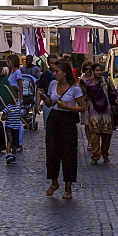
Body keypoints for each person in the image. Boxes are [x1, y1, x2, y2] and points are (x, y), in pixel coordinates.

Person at [39, 59, 85, 199]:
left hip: (68, 120)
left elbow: (82, 107)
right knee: (52, 152)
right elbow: (50, 102)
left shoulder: (75, 88)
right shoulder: (53, 84)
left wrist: (67, 107)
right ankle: (54, 182)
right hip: (54, 119)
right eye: (53, 71)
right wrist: (45, 99)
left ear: (65, 73)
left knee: (68, 153)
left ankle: (68, 186)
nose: (54, 74)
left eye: (57, 71)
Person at [81, 63, 114, 164]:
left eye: (100, 70)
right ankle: (95, 156)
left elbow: (113, 93)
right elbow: (85, 96)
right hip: (93, 111)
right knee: (94, 134)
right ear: (93, 72)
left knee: (106, 134)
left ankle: (105, 154)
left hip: (106, 111)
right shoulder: (88, 83)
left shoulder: (106, 81)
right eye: (97, 70)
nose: (99, 72)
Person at [2, 97, 24, 164]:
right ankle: (8, 154)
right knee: (10, 140)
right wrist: (6, 117)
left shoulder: (18, 106)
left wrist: (25, 123)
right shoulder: (7, 107)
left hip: (16, 127)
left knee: (15, 142)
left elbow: (19, 116)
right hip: (9, 126)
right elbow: (2, 117)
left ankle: (13, 156)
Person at [36, 57, 56, 125]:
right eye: (52, 63)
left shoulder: (61, 74)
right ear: (48, 64)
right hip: (47, 101)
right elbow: (39, 90)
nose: (54, 65)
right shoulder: (44, 76)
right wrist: (38, 104)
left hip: (58, 102)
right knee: (48, 124)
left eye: (55, 63)